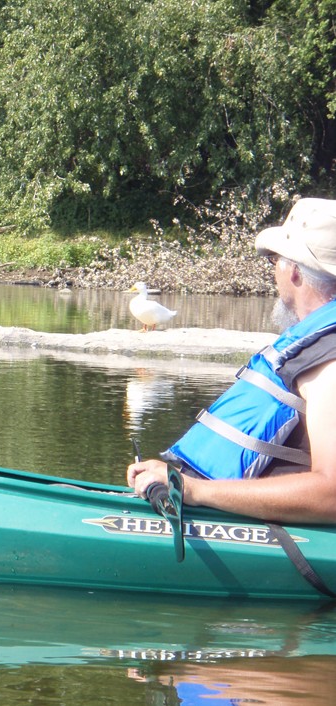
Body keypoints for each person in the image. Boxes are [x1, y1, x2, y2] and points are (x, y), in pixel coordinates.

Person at [128, 197, 336, 524]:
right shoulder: (318, 347)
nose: (274, 272)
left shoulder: (330, 364)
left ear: (294, 272)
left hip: (249, 532)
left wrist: (193, 490)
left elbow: (331, 494)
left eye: (275, 261)